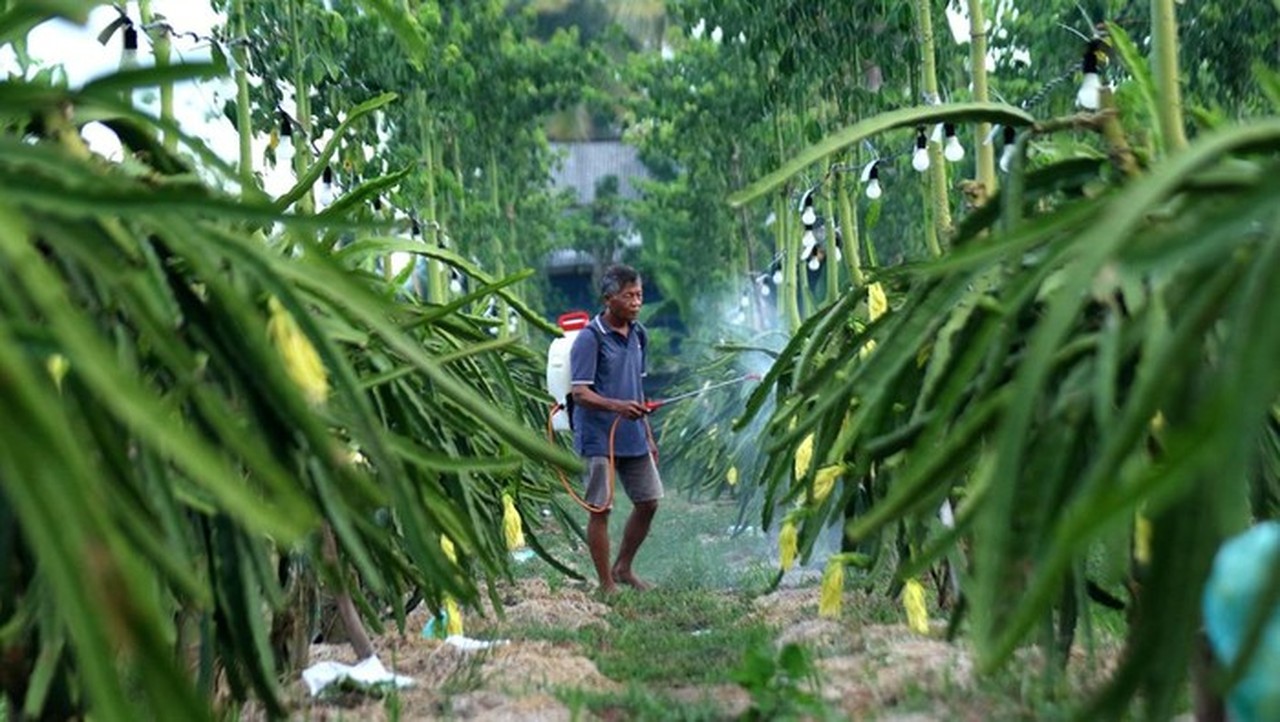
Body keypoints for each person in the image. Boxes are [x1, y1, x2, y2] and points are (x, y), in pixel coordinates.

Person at [569, 264, 662, 593]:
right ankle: (605, 584)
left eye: (639, 295)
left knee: (649, 501)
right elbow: (580, 393)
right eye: (629, 296)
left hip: (633, 435)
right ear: (609, 299)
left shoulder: (639, 335)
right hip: (598, 439)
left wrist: (649, 437)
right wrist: (617, 407)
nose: (637, 302)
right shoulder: (589, 338)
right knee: (601, 509)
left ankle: (623, 567)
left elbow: (638, 389)